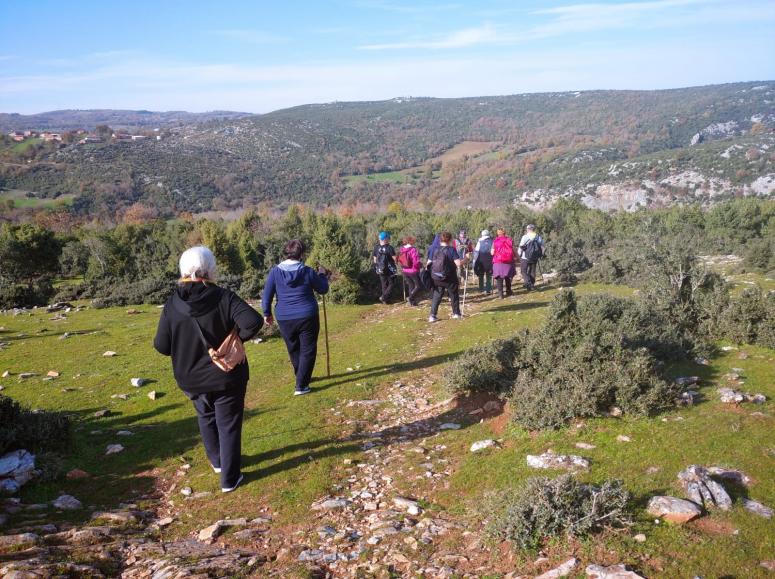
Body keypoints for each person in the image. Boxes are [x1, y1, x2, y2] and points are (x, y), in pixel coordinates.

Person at [154, 246, 263, 493]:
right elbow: (253, 322)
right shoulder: (224, 297)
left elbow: (161, 345)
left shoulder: (173, 303)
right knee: (228, 424)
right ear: (210, 269)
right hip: (226, 374)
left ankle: (218, 463)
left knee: (205, 416)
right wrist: (235, 341)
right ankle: (230, 479)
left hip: (190, 378)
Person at [262, 239, 329, 396]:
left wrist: (267, 313)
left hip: (285, 317)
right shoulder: (307, 271)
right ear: (302, 254)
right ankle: (301, 385)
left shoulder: (275, 272)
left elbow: (267, 296)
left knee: (293, 348)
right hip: (307, 315)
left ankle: (301, 376)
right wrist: (323, 275)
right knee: (308, 350)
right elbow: (323, 289)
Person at [428, 231, 465, 322]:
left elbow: (429, 263)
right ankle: (456, 313)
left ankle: (432, 316)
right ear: (450, 240)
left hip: (436, 277)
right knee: (453, 295)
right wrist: (466, 259)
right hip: (450, 277)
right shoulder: (451, 249)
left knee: (437, 296)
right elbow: (458, 264)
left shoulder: (434, 249)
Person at [517, 224, 545, 291]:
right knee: (532, 271)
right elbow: (543, 246)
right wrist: (541, 255)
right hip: (534, 257)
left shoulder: (525, 237)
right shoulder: (538, 237)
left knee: (523, 271)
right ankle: (531, 284)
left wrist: (518, 255)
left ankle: (528, 283)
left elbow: (521, 246)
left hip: (525, 257)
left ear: (528, 229)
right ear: (533, 229)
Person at [372, 231, 397, 304]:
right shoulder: (389, 247)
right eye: (388, 238)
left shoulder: (376, 247)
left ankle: (385, 300)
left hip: (380, 269)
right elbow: (394, 258)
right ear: (385, 239)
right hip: (389, 269)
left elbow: (374, 259)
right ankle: (384, 297)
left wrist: (377, 267)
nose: (389, 239)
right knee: (392, 283)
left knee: (384, 284)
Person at [491, 228, 516, 299]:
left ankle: (500, 294)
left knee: (499, 278)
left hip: (498, 262)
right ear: (505, 233)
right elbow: (514, 250)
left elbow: (492, 252)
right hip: (508, 262)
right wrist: (518, 258)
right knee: (508, 277)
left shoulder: (495, 241)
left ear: (498, 233)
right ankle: (508, 291)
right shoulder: (509, 240)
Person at [398, 236, 422, 306]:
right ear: (410, 241)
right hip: (413, 270)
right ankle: (411, 298)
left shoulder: (402, 249)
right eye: (413, 240)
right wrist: (419, 266)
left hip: (405, 270)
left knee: (411, 285)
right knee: (418, 286)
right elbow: (416, 262)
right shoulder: (413, 249)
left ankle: (412, 302)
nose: (414, 241)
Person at [472, 229, 494, 294]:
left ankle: (481, 289)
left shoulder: (480, 241)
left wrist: (474, 261)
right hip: (490, 260)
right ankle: (488, 289)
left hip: (481, 261)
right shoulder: (492, 241)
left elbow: (476, 252)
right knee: (489, 275)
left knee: (481, 275)